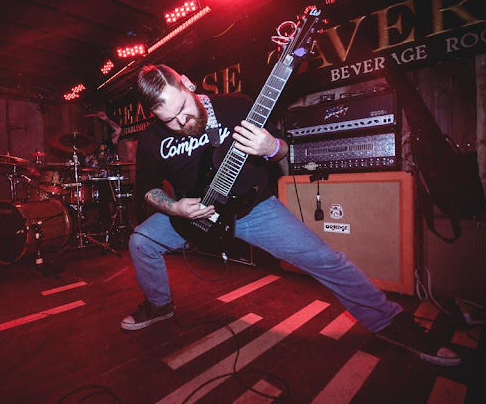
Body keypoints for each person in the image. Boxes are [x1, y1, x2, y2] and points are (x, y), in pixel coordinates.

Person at [121, 64, 461, 367]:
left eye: (183, 109)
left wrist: (270, 147)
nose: (181, 123)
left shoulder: (236, 106)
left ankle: (390, 324)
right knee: (141, 241)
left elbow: (282, 149)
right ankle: (160, 305)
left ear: (187, 83)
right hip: (194, 216)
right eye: (169, 119)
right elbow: (148, 188)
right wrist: (174, 207)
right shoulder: (152, 139)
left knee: (327, 260)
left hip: (254, 210)